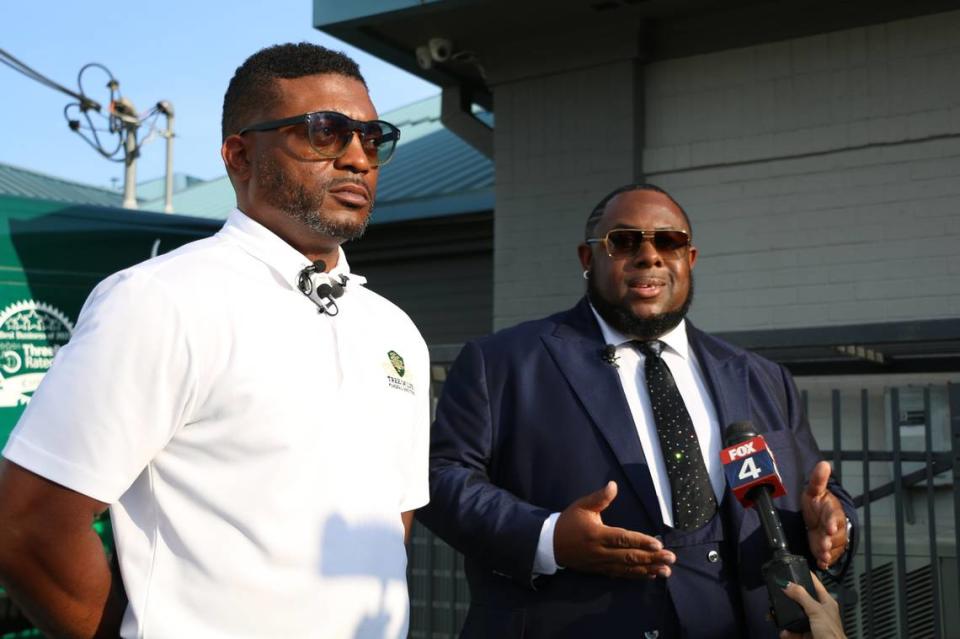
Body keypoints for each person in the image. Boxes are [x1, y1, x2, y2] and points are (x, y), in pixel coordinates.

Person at [0, 43, 429, 639]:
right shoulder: (160, 300)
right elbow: (27, 528)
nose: (359, 157)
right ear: (239, 155)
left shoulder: (394, 330)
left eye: (372, 137)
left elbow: (392, 521)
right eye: (325, 132)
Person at [416, 183, 858, 638]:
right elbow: (440, 476)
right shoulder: (503, 363)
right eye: (625, 242)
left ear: (690, 259)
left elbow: (820, 493)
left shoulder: (760, 376)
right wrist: (548, 537)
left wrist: (834, 521)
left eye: (669, 242)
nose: (650, 256)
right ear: (589, 260)